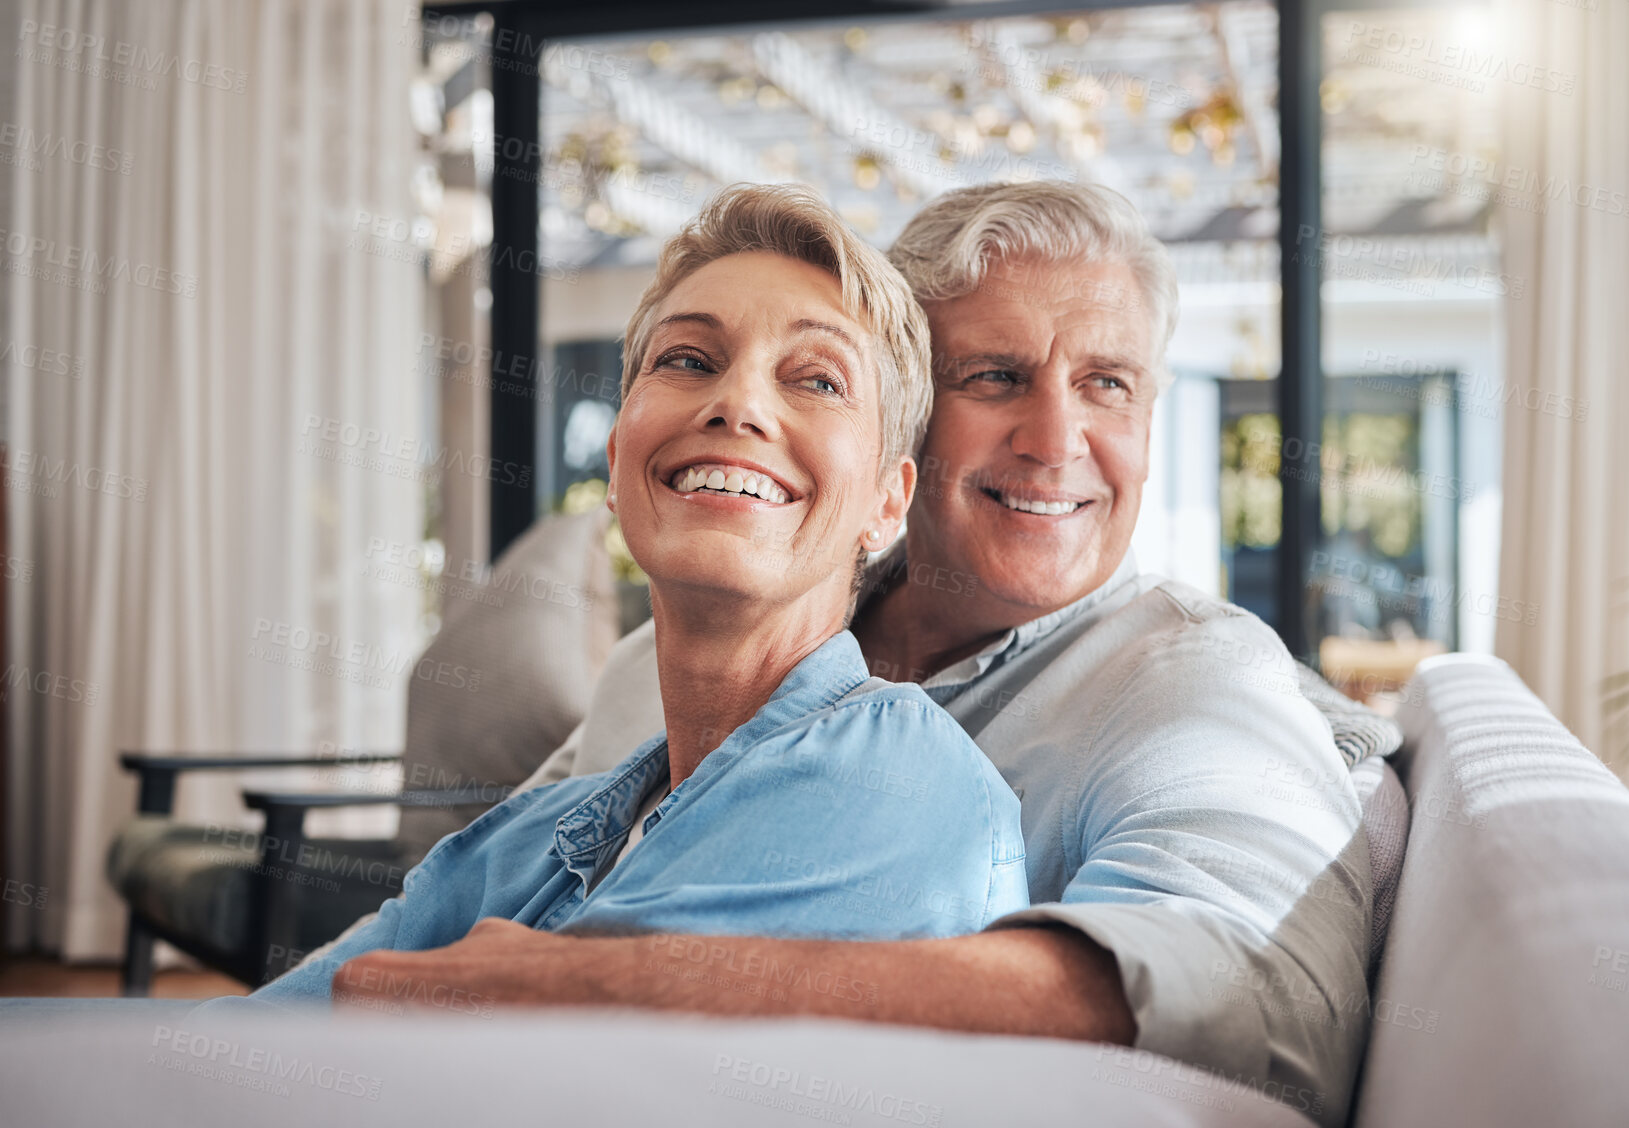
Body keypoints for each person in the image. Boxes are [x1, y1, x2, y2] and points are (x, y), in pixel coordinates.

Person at [329, 182, 1391, 1128]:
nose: (1056, 437)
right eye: (996, 375)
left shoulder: (1193, 683)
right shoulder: (649, 666)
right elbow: (496, 904)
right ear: (904, 430)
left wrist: (611, 987)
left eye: (1108, 384)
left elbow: (1265, 1005)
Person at [238, 184, 1029, 1003]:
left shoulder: (900, 784)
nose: (737, 403)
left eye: (819, 380)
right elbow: (243, 1041)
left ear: (887, 502)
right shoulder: (520, 840)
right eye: (687, 360)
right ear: (617, 461)